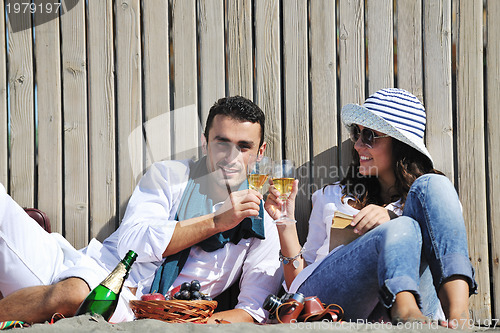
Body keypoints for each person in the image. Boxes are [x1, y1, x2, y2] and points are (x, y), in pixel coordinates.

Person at [0, 96, 282, 324]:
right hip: (80, 264)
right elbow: (132, 244)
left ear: (260, 152)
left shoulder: (261, 224)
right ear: (205, 141)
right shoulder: (170, 176)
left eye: (244, 147)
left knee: (80, 293)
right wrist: (217, 221)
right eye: (222, 142)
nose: (231, 157)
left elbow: (253, 309)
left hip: (129, 307)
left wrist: (195, 326)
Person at [265, 88, 477, 328]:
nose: (357, 144)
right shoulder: (333, 196)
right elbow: (298, 285)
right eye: (357, 133)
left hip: (422, 305)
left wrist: (392, 216)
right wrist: (285, 223)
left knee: (435, 185)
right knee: (403, 226)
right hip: (334, 302)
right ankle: (403, 310)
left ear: (400, 145)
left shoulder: (433, 202)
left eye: (369, 135)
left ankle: (459, 315)